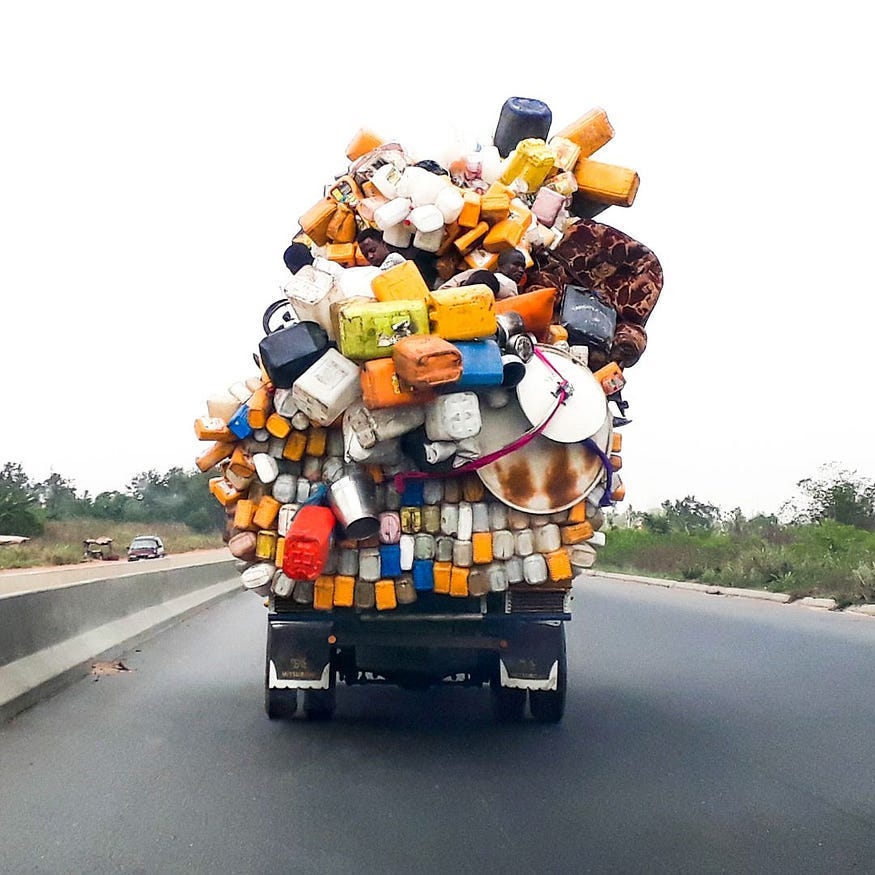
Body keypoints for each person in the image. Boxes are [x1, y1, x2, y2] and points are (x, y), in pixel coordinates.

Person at [437, 247, 527, 299]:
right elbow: (442, 292)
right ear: (500, 265)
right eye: (516, 264)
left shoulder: (513, 289)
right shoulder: (480, 274)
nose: (521, 270)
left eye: (523, 267)